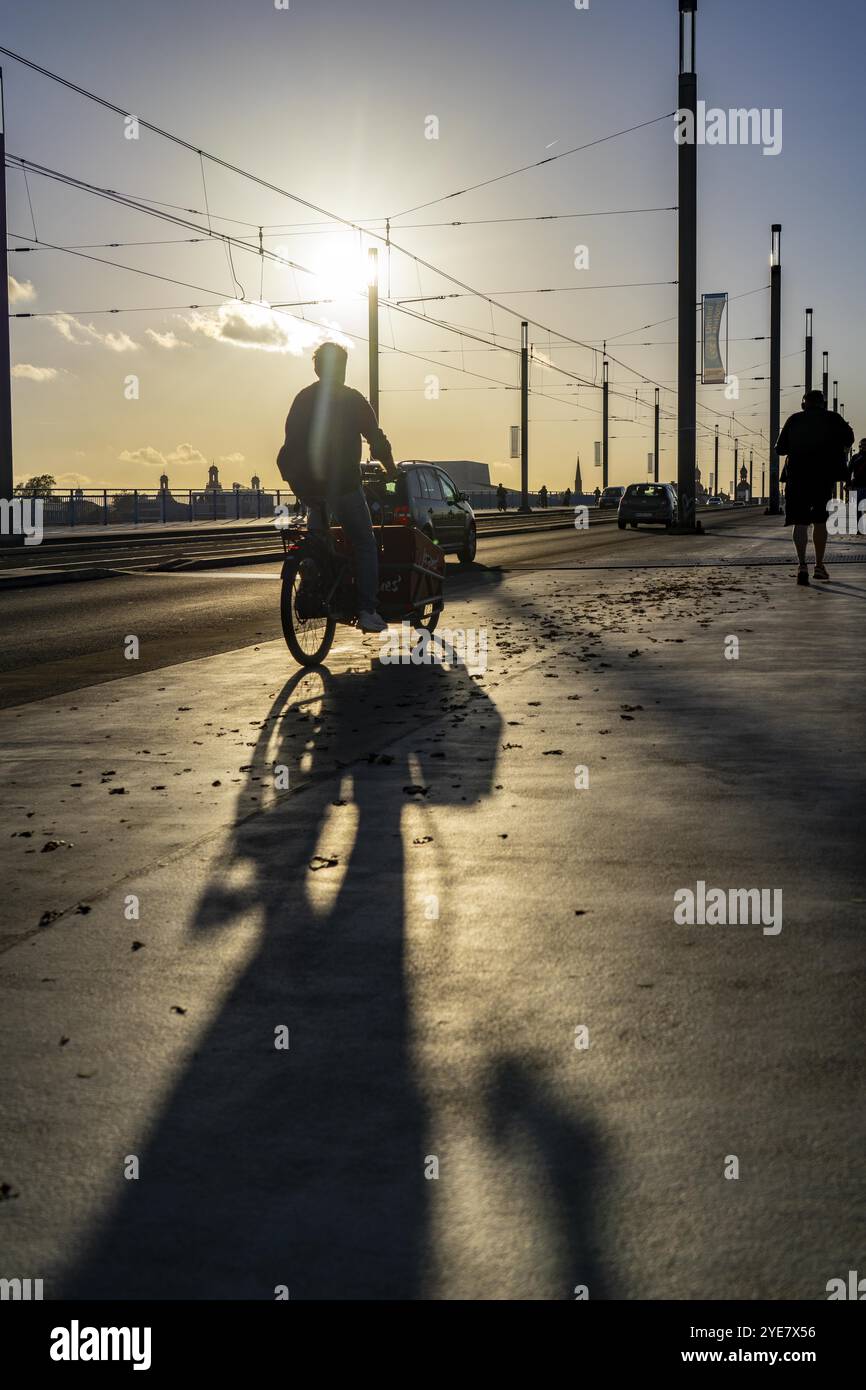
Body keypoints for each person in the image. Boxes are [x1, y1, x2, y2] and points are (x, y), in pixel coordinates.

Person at [278, 341, 398, 632]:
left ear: (317, 369)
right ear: (342, 368)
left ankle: (310, 582)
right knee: (365, 542)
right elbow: (377, 442)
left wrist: (297, 480)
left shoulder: (302, 398)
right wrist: (392, 472)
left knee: (317, 538)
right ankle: (367, 610)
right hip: (342, 484)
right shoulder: (352, 399)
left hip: (305, 484)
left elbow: (291, 439)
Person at [775, 389, 853, 585]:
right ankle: (819, 565)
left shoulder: (794, 419)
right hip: (823, 477)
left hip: (797, 478)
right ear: (823, 404)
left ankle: (802, 565)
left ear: (804, 405)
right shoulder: (833, 418)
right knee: (820, 521)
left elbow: (780, 448)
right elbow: (849, 439)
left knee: (799, 522)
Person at [848, 438, 866, 525]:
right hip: (856, 485)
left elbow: (848, 471)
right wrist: (848, 483)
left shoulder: (855, 457)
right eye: (861, 445)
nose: (863, 447)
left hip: (858, 485)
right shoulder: (855, 457)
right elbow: (849, 471)